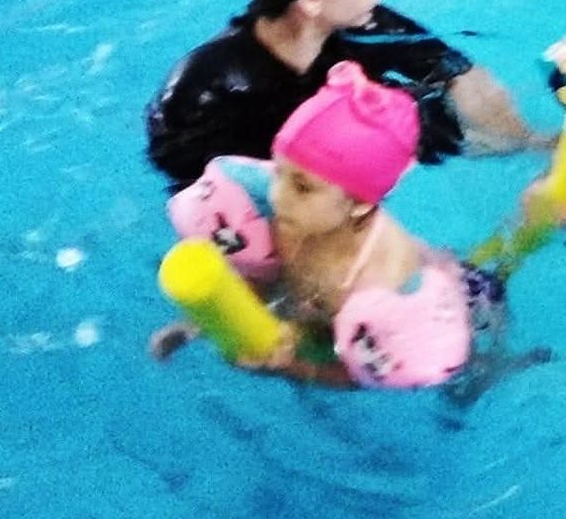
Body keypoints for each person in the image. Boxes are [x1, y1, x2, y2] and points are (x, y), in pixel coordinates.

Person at [145, 0, 545, 191]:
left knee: (427, 115)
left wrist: (527, 142)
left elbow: (457, 71)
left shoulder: (362, 26)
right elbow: (208, 205)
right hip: (272, 174)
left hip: (340, 142)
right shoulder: (207, 95)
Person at [160, 63, 502, 388]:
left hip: (445, 312)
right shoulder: (293, 212)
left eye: (302, 187)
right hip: (328, 309)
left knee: (467, 379)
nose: (278, 196)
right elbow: (265, 274)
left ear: (360, 205)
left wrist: (294, 366)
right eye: (280, 171)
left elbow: (363, 374)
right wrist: (210, 317)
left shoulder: (383, 279)